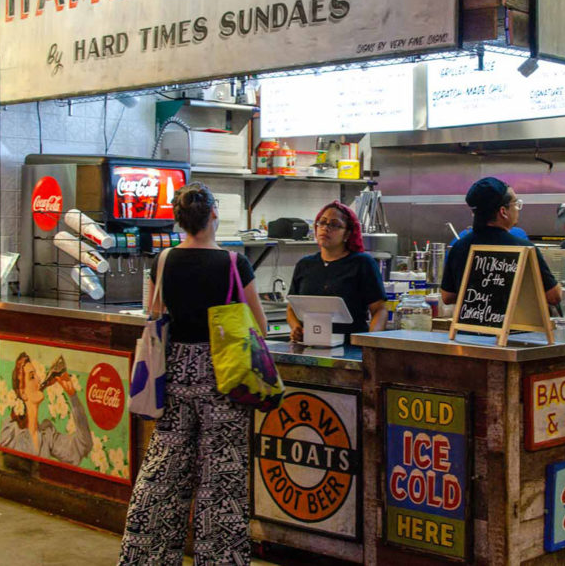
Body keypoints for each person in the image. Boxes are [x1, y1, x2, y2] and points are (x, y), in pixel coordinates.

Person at [120, 182, 267, 566]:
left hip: (173, 379)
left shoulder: (164, 260)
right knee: (221, 481)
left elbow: (152, 311)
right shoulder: (235, 264)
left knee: (163, 477)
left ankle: (145, 557)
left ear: (179, 220)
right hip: (224, 379)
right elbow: (260, 327)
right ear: (214, 215)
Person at [440, 177, 563, 306]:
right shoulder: (523, 248)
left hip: (470, 324)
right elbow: (554, 297)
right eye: (515, 204)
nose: (517, 208)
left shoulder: (459, 247)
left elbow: (447, 297)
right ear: (503, 212)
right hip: (514, 325)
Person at [287, 200, 387, 342]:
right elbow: (292, 308)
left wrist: (370, 342)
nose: (325, 228)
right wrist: (296, 327)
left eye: (334, 224)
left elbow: (379, 310)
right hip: (310, 346)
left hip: (350, 348)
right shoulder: (305, 264)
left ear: (347, 234)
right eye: (322, 222)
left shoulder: (362, 263)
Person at [0, 352, 91, 466]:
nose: (38, 379)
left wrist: (73, 396)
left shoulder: (47, 434)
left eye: (36, 375)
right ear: (23, 393)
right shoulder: (11, 431)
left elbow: (83, 447)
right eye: (32, 377)